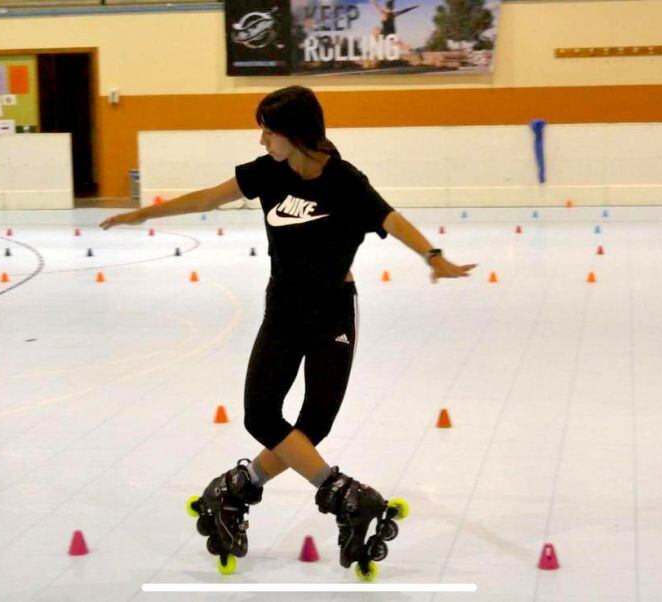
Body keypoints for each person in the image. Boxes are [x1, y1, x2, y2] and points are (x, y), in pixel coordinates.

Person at [100, 85, 475, 580]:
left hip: (333, 314)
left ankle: (235, 490)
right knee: (261, 414)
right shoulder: (269, 173)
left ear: (293, 133)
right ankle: (343, 494)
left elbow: (391, 219)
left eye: (268, 131)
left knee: (312, 426)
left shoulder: (345, 182)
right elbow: (210, 198)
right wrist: (144, 213)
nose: (261, 141)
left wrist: (433, 256)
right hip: (283, 309)